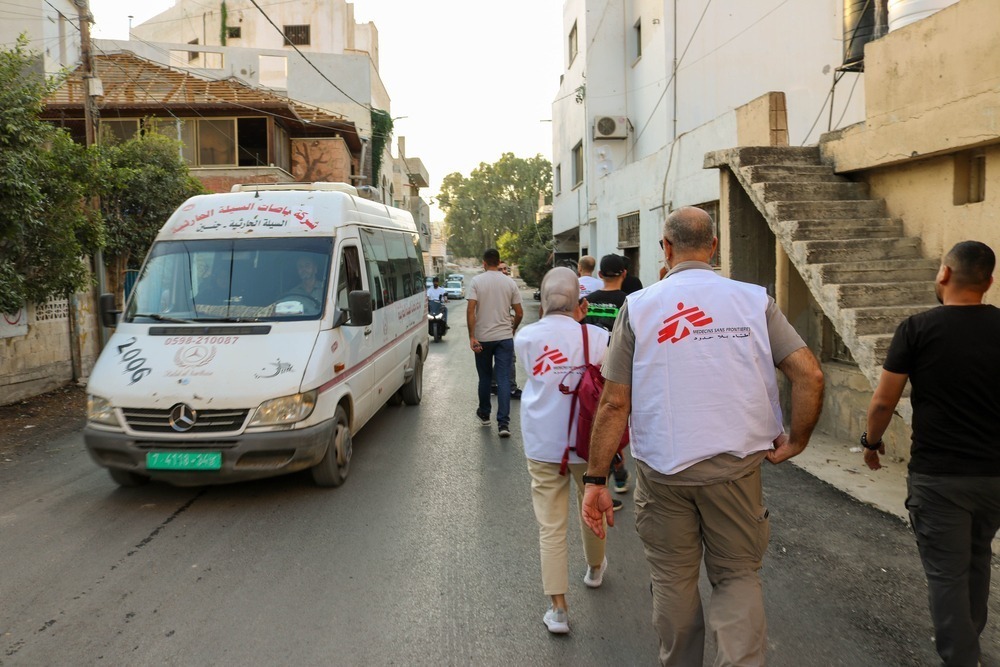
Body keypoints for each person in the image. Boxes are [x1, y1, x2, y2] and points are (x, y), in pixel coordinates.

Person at [580, 206, 825, 666]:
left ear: (666, 249)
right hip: (736, 470)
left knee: (673, 579)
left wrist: (596, 481)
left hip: (664, 472)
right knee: (736, 576)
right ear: (714, 247)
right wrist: (797, 440)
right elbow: (809, 375)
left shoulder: (640, 306)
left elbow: (614, 403)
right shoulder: (754, 301)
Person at [862, 240, 1000, 667]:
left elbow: (884, 400)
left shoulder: (917, 329)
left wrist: (871, 442)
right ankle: (968, 647)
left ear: (943, 274)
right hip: (994, 476)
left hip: (939, 477)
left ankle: (961, 658)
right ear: (989, 282)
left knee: (946, 574)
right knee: (977, 560)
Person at [514, 266, 611, 634]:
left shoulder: (526, 338)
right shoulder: (597, 338)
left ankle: (557, 609)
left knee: (550, 525)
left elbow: (534, 375)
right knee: (592, 504)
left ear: (542, 301)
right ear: (580, 303)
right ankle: (595, 568)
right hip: (588, 442)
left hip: (543, 444)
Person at [582, 253, 632, 505]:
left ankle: (617, 468)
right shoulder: (631, 302)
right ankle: (616, 469)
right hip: (624, 374)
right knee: (620, 422)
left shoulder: (587, 302)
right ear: (624, 273)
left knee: (602, 421)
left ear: (599, 275)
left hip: (593, 374)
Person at [467, 249, 524, 438]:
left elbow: (470, 311)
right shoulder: (510, 282)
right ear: (499, 261)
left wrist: (472, 337)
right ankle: (504, 424)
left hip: (482, 338)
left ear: (484, 263)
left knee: (484, 378)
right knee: (503, 380)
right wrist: (512, 328)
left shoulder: (476, 282)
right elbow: (520, 312)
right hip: (504, 338)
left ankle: (485, 414)